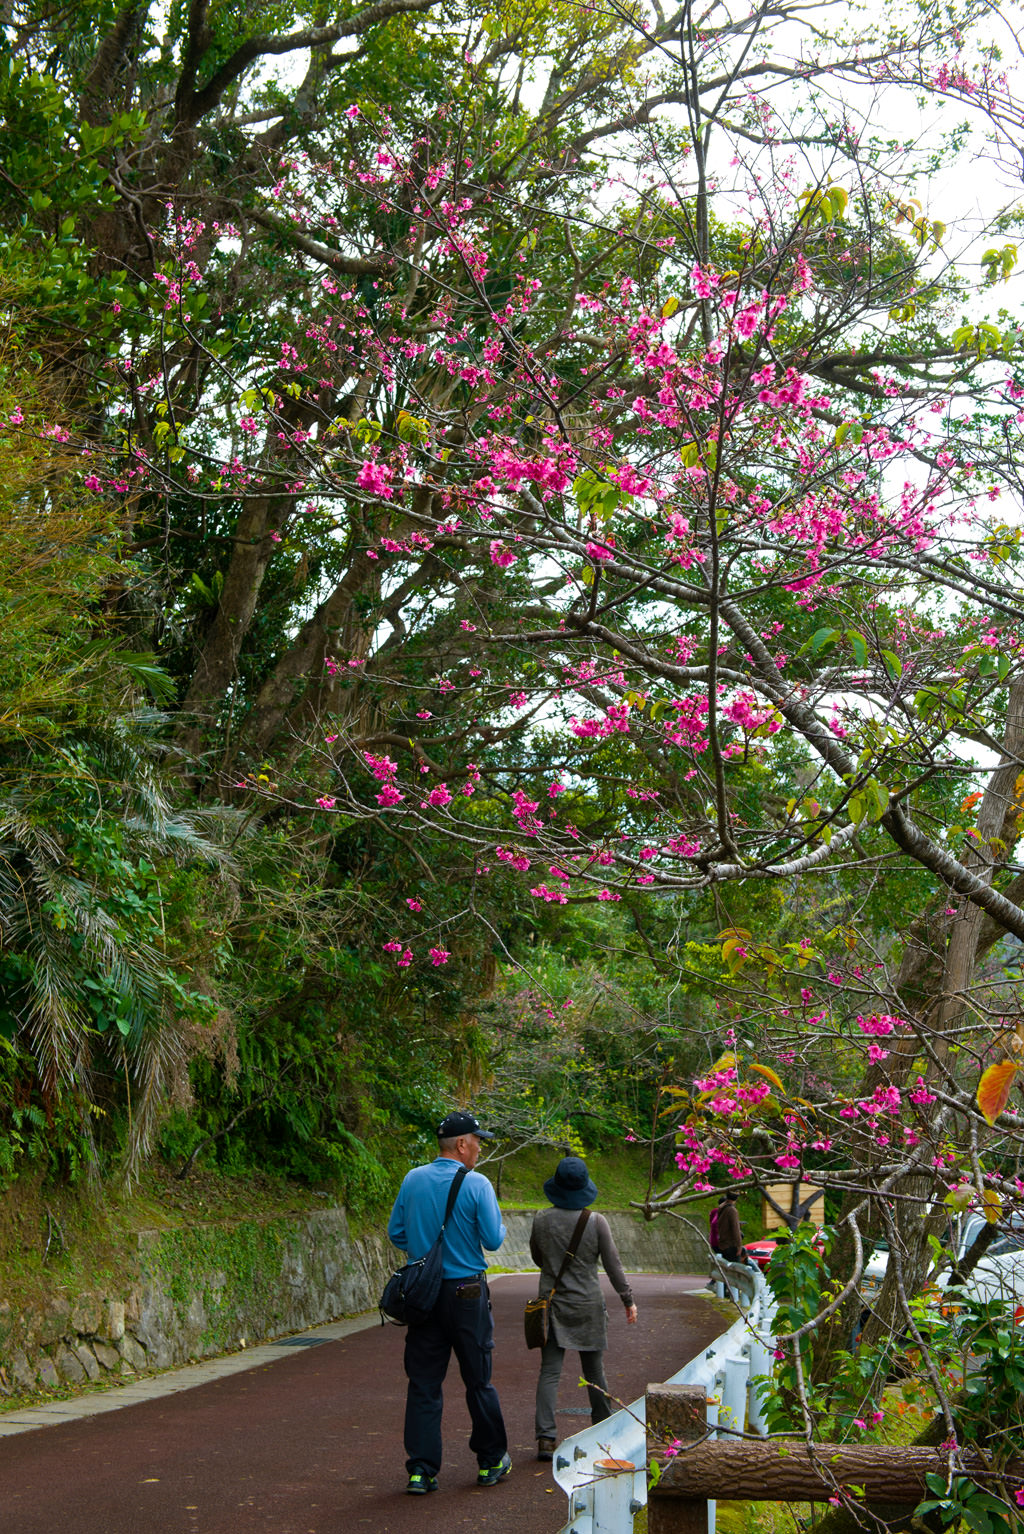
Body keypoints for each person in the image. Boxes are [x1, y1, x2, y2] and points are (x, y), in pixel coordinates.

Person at [387, 1110, 512, 1495]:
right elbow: (492, 1240)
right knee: (478, 1380)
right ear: (461, 1144)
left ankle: (421, 1470)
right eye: (477, 1141)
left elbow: (397, 1233)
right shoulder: (477, 1184)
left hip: (423, 1295)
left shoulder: (412, 1179)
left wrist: (425, 1249)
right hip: (466, 1294)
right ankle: (491, 1460)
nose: (479, 1148)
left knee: (424, 1383)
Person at [529, 1155, 638, 1462]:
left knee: (549, 1372)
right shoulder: (596, 1221)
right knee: (594, 1372)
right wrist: (627, 1299)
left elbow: (538, 1258)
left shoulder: (540, 1219)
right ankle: (603, 1429)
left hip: (551, 1306)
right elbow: (613, 1264)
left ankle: (546, 1438)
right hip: (588, 1305)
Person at [712, 1188, 744, 1261]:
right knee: (734, 1267)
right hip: (731, 1245)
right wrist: (739, 1246)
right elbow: (735, 1229)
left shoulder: (721, 1207)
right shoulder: (732, 1210)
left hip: (723, 1243)